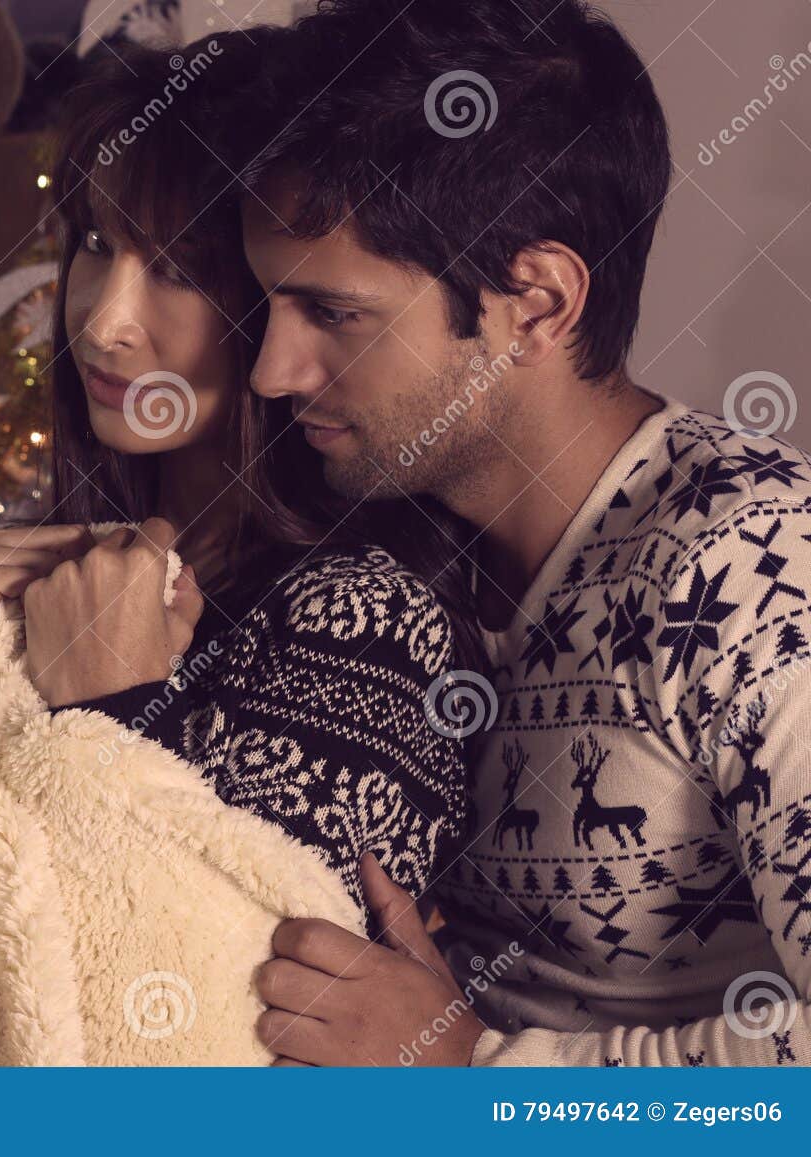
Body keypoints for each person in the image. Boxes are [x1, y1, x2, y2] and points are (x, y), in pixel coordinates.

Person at [228, 0, 811, 1066]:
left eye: (335, 314)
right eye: (268, 306)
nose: (272, 371)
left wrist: (471, 1077)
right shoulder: (377, 544)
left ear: (535, 306)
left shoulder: (755, 567)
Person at [0, 43, 481, 914]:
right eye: (95, 244)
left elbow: (226, 996)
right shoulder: (57, 554)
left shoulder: (368, 621)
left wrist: (106, 707)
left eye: (177, 269)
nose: (102, 324)